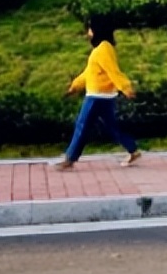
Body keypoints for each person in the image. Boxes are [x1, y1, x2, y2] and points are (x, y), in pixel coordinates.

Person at [52, 14, 141, 170]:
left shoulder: (103, 49)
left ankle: (70, 158)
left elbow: (114, 71)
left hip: (97, 96)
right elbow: (89, 73)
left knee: (82, 125)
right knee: (112, 126)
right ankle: (133, 149)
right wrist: (74, 87)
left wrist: (126, 88)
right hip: (103, 96)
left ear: (97, 29)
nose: (88, 33)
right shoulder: (101, 49)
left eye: (90, 29)